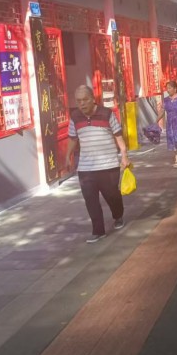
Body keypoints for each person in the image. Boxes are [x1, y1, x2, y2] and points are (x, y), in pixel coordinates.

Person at [65, 85, 131, 243]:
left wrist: (124, 156)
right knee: (90, 200)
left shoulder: (107, 114)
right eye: (78, 101)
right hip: (86, 167)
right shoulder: (75, 117)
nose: (82, 104)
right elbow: (73, 139)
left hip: (108, 165)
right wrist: (67, 156)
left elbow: (118, 136)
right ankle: (98, 231)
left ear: (92, 99)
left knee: (112, 195)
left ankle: (118, 215)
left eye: (85, 100)